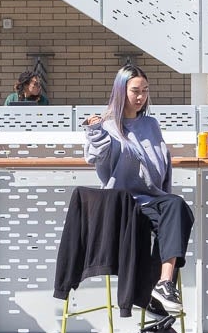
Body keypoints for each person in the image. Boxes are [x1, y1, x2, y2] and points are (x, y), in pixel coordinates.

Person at [83, 66, 193, 316]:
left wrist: (161, 195)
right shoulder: (108, 125)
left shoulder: (151, 124)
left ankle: (164, 284)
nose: (141, 97)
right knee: (173, 212)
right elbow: (95, 156)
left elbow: (160, 164)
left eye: (145, 91)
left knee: (178, 208)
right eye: (135, 91)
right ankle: (151, 294)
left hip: (150, 200)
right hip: (121, 204)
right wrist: (95, 132)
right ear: (121, 91)